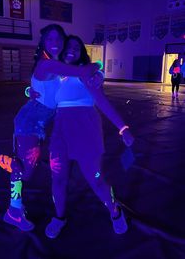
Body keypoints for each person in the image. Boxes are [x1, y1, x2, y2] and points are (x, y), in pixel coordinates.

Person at [0, 25, 99, 231]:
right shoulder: (47, 64)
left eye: (59, 38)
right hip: (29, 123)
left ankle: (15, 210)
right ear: (43, 44)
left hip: (37, 123)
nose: (55, 42)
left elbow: (47, 88)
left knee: (22, 168)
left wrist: (29, 89)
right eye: (50, 39)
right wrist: (97, 66)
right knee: (25, 171)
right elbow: (83, 70)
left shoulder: (56, 66)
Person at [43, 35, 134, 238]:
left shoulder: (86, 74)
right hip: (60, 135)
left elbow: (102, 102)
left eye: (77, 47)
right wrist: (30, 92)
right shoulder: (54, 74)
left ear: (81, 53)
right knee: (57, 179)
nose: (72, 50)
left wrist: (123, 127)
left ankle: (114, 210)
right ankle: (59, 217)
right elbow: (42, 97)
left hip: (87, 133)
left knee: (96, 179)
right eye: (69, 46)